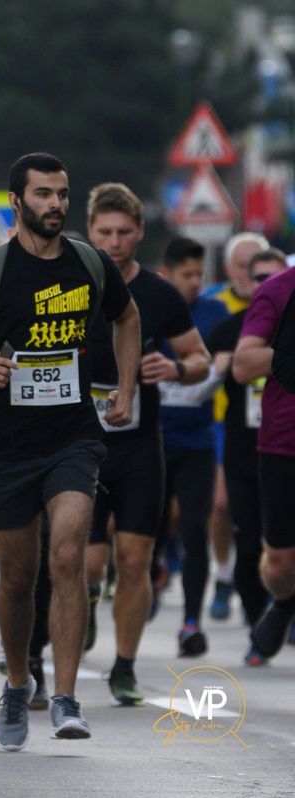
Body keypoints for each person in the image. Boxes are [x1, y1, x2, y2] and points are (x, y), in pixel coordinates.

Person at [0, 153, 139, 750]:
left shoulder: (90, 263)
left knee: (69, 553)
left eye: (63, 193)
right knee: (18, 576)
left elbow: (127, 318)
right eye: (43, 194)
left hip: (73, 437)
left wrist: (124, 389)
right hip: (9, 446)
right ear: (16, 202)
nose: (56, 204)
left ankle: (68, 699)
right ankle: (19, 681)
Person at [81, 191, 210, 705]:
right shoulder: (71, 286)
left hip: (138, 447)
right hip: (80, 447)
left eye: (124, 232)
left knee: (135, 560)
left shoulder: (159, 294)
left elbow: (199, 358)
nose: (114, 242)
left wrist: (176, 369)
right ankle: (84, 602)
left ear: (139, 232)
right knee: (85, 562)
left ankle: (124, 666)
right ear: (89, 231)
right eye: (104, 232)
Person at [207, 248, 288, 663]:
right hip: (266, 446)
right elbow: (235, 368)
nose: (259, 281)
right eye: (254, 275)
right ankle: (274, 606)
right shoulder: (258, 308)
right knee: (269, 556)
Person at [153, 237, 225, 655]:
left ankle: (191, 623)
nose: (195, 283)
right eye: (187, 275)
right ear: (168, 273)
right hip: (154, 440)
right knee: (150, 532)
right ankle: (152, 575)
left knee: (196, 530)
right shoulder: (151, 308)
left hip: (197, 440)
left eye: (200, 275)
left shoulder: (214, 313)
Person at [233, 245, 295, 661]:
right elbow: (242, 365)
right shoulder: (277, 291)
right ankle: (286, 599)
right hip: (283, 441)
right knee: (279, 567)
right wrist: (287, 355)